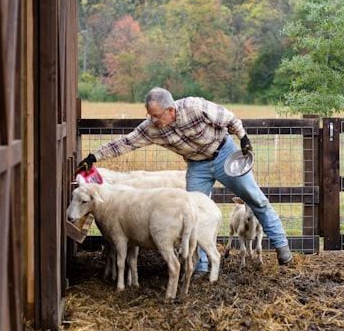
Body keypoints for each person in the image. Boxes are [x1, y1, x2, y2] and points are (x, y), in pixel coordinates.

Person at [76, 87, 293, 272]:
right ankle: (201, 266)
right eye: (150, 115)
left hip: (224, 154)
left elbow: (230, 119)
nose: (153, 120)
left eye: (157, 115)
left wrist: (244, 139)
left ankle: (282, 247)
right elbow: (125, 143)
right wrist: (94, 157)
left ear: (170, 110)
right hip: (197, 165)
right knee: (193, 211)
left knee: (256, 198)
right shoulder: (152, 129)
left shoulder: (195, 108)